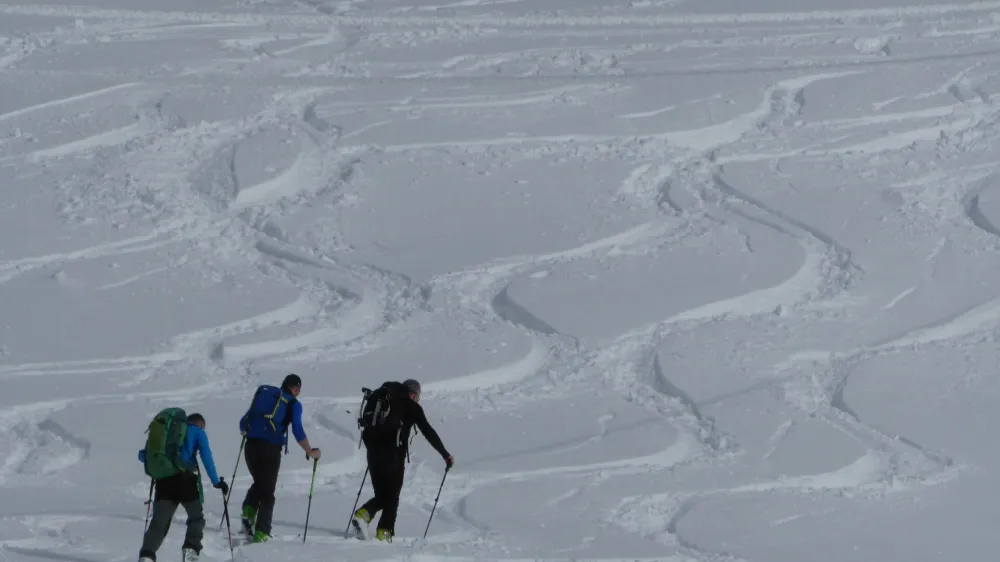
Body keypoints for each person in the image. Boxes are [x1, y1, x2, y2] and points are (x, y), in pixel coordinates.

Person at [351, 379, 454, 542]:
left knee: (382, 495)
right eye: (417, 396)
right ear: (413, 394)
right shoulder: (411, 406)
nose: (417, 400)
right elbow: (428, 431)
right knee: (392, 496)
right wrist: (445, 454)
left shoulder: (384, 398)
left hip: (372, 451)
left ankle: (363, 515)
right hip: (393, 454)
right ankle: (383, 534)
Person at [238, 374, 321, 543]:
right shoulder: (293, 404)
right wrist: (310, 450)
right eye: (298, 389)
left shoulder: (267, 397)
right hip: (270, 448)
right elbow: (297, 429)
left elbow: (242, 423)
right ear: (295, 389)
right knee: (268, 492)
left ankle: (248, 511)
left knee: (260, 483)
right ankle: (262, 532)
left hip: (250, 447)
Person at [138, 413, 227, 562]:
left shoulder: (167, 434)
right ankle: (190, 549)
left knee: (159, 522)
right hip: (186, 480)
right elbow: (206, 456)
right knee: (196, 517)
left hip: (163, 481)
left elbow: (142, 456)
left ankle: (147, 555)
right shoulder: (197, 431)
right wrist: (216, 482)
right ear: (199, 424)